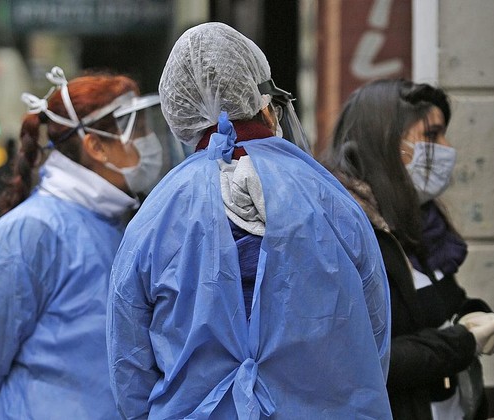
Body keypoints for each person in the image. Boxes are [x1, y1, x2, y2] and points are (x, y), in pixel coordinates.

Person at [107, 22, 392, 419]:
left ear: (181, 113)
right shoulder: (328, 197)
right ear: (265, 103)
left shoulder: (156, 215)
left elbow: (129, 364)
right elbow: (374, 335)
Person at [0, 66, 171, 419]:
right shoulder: (30, 232)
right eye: (136, 130)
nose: (148, 141)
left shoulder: (114, 222)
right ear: (95, 145)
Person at [322, 78, 494, 420]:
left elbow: (439, 304)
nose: (447, 148)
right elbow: (363, 359)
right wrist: (463, 342)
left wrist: (469, 313)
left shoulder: (421, 224)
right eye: (432, 135)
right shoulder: (344, 234)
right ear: (384, 141)